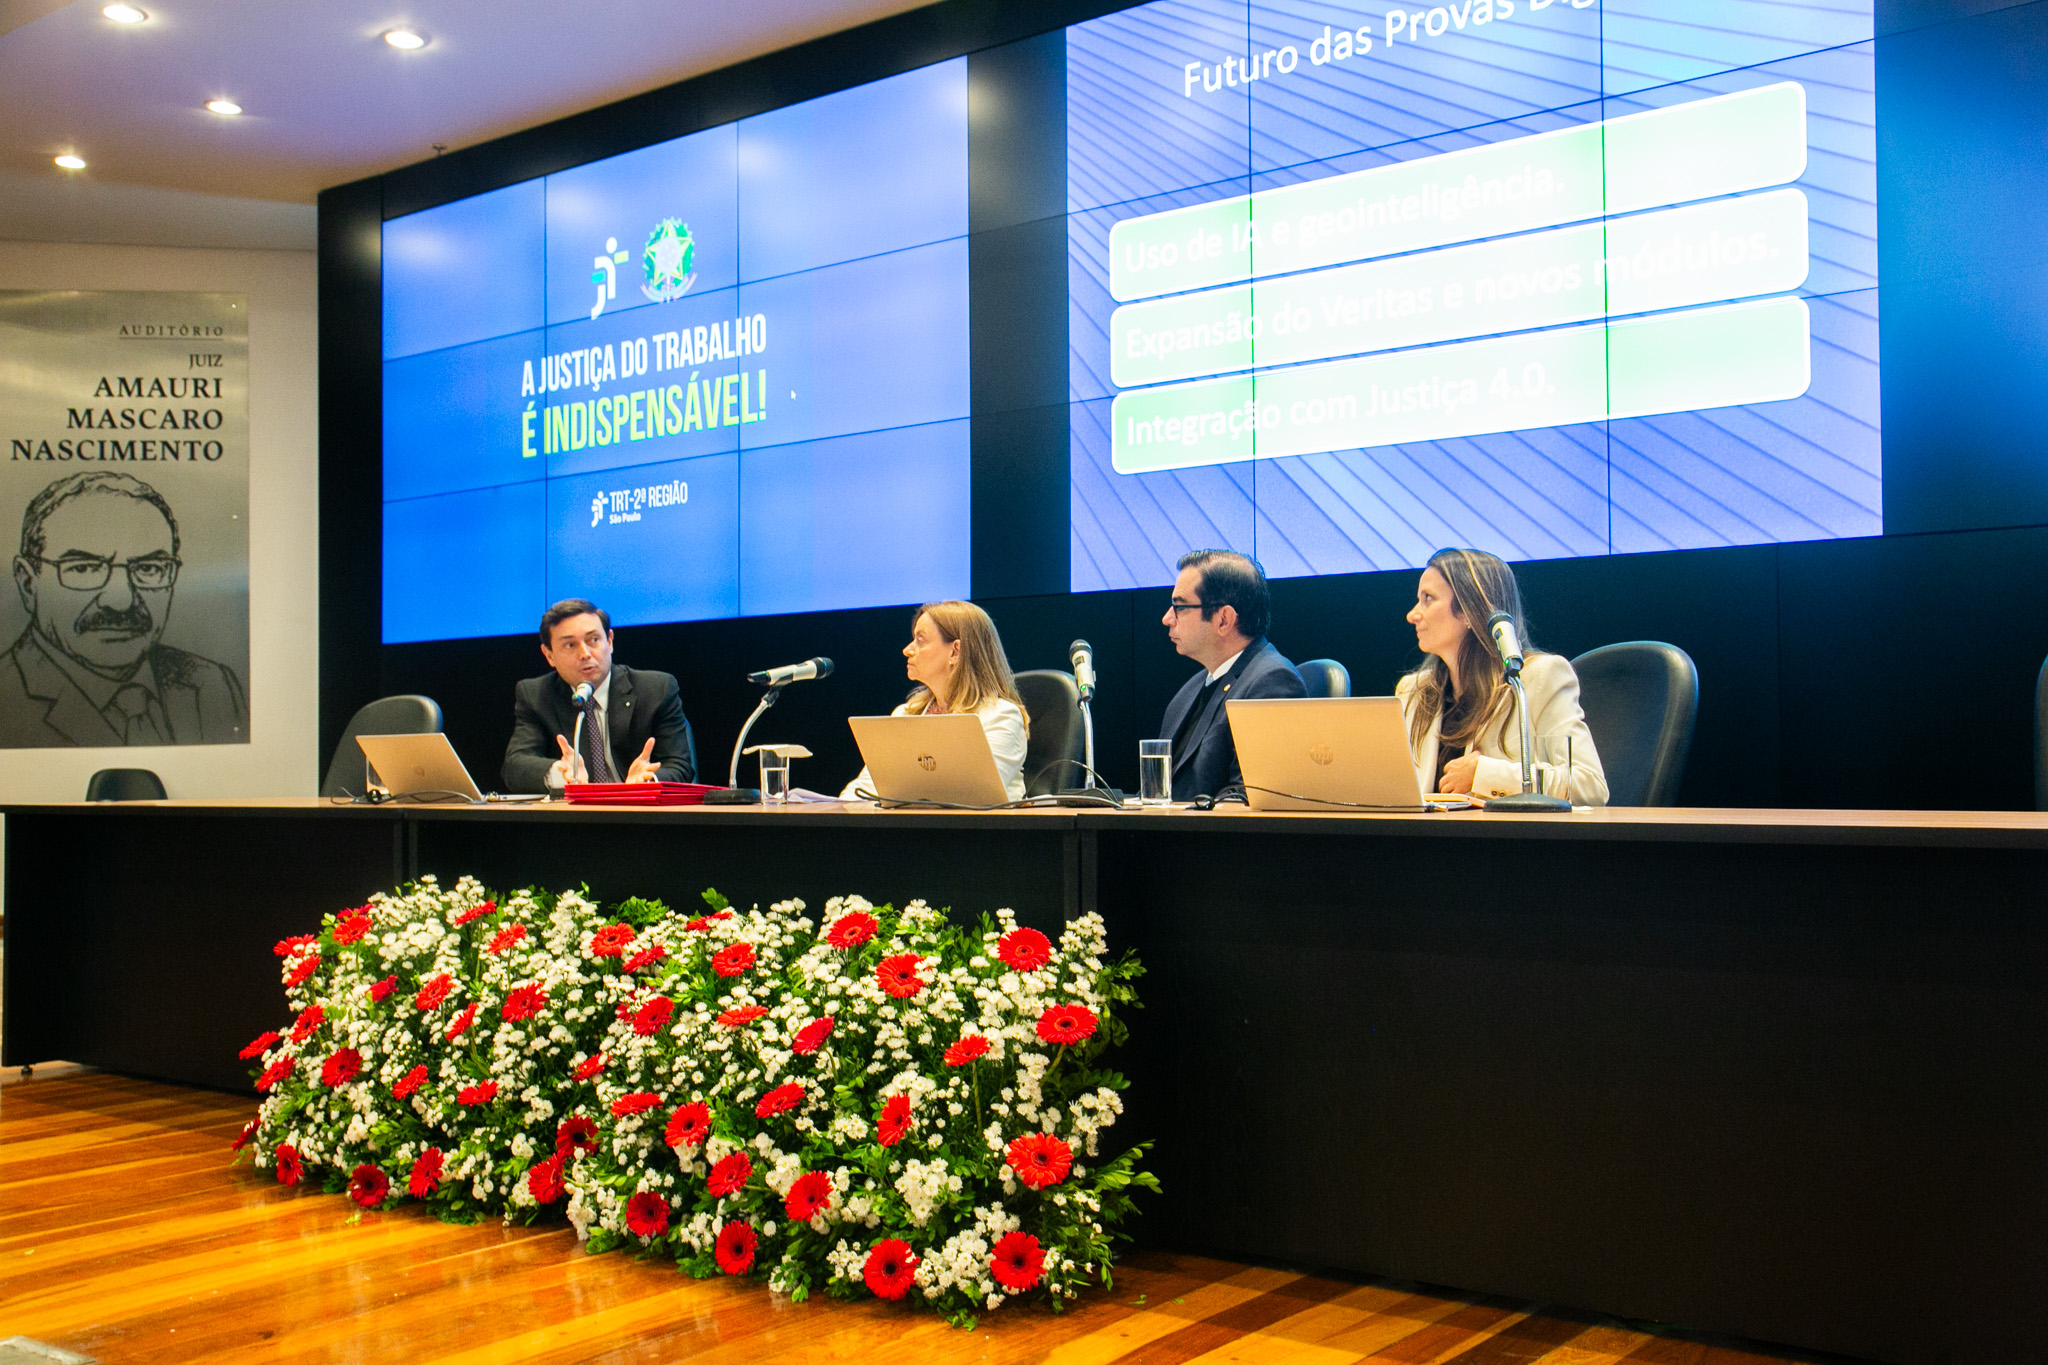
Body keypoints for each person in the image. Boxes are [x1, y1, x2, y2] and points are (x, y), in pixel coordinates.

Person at [0, 470, 245, 748]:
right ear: (29, 583)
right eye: (84, 568)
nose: (121, 602)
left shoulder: (212, 683)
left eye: (149, 568)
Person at [1398, 547, 1608, 805]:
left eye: (1428, 599)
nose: (1412, 614)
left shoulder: (1537, 679)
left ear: (1468, 610)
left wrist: (1485, 775)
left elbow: (1589, 785)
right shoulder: (1412, 692)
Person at [841, 600, 1029, 802]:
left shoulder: (1000, 716)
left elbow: (977, 796)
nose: (907, 650)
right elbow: (864, 788)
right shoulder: (904, 714)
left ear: (955, 651)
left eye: (920, 640)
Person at [501, 599, 696, 794]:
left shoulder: (656, 689)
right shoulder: (536, 695)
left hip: (641, 816)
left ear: (609, 641)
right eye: (570, 645)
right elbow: (515, 765)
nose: (585, 654)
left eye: (593, 640)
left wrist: (646, 782)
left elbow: (680, 765)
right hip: (575, 820)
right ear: (549, 655)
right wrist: (561, 773)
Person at [1156, 549, 1305, 801]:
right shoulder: (1191, 689)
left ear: (1224, 619)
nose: (1167, 618)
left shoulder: (1273, 683)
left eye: (1179, 607)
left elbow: (1246, 799)